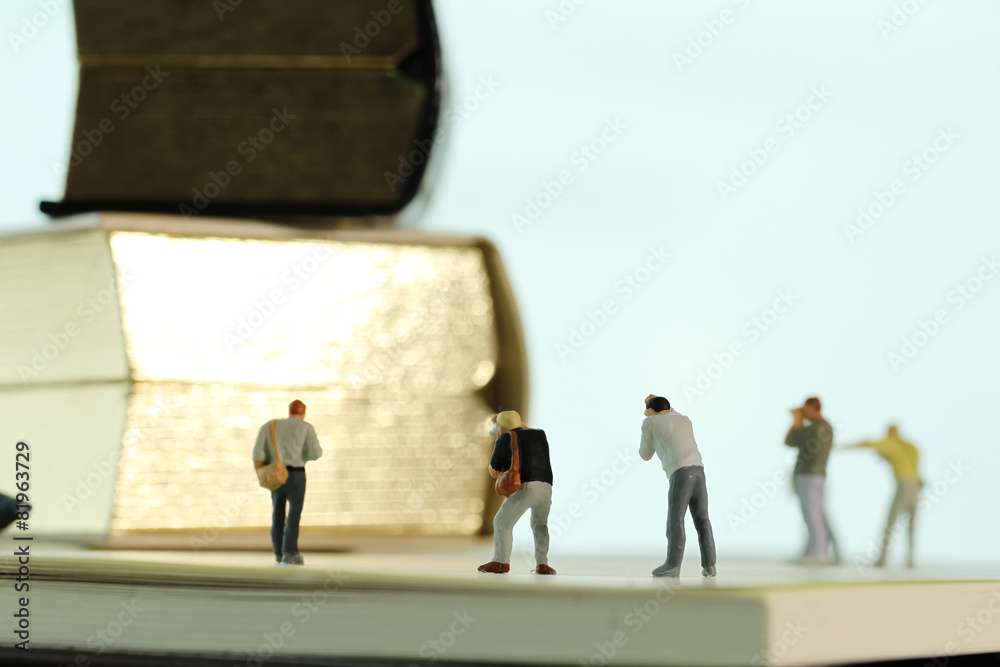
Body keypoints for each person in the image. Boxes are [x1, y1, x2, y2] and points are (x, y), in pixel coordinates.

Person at [639, 395, 717, 578]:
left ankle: (673, 565)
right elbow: (669, 413)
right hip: (699, 471)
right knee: (703, 520)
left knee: (675, 520)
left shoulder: (650, 422)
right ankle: (710, 565)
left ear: (650, 411)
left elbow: (645, 454)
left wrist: (648, 416)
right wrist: (658, 404)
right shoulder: (684, 419)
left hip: (680, 473)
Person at [478, 410, 556, 575]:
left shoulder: (505, 438)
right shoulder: (539, 434)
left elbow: (494, 470)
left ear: (502, 426)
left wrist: (499, 438)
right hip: (546, 488)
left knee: (502, 523)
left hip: (526, 488)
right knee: (540, 525)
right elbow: (522, 431)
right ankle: (543, 564)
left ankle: (501, 562)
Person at [253, 399, 322, 565]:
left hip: (278, 474)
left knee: (277, 513)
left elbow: (258, 453)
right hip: (297, 474)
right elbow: (316, 453)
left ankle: (278, 552)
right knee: (294, 515)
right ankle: (290, 552)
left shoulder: (271, 426)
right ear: (303, 412)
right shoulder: (306, 427)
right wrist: (301, 456)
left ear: (289, 410)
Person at [844, 424, 922, 567]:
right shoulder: (911, 446)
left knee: (891, 521)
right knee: (911, 525)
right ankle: (911, 560)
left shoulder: (890, 443)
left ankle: (882, 559)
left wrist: (842, 447)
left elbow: (867, 443)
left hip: (904, 484)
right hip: (916, 485)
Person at [784, 397, 834, 565]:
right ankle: (813, 552)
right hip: (815, 475)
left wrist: (797, 420)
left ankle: (819, 553)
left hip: (809, 475)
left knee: (812, 515)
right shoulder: (825, 427)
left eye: (805, 410)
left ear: (813, 408)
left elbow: (790, 440)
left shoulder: (815, 428)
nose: (804, 413)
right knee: (813, 515)